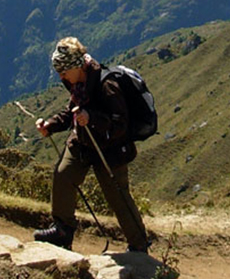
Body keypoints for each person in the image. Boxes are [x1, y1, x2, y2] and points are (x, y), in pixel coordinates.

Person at [33, 37, 149, 252]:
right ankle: (62, 229)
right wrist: (50, 125)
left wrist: (91, 117)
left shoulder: (107, 84)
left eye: (63, 71)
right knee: (63, 175)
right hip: (83, 142)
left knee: (117, 196)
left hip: (110, 149)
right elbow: (72, 111)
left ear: (75, 66)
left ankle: (139, 244)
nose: (61, 76)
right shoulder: (77, 82)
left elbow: (120, 124)